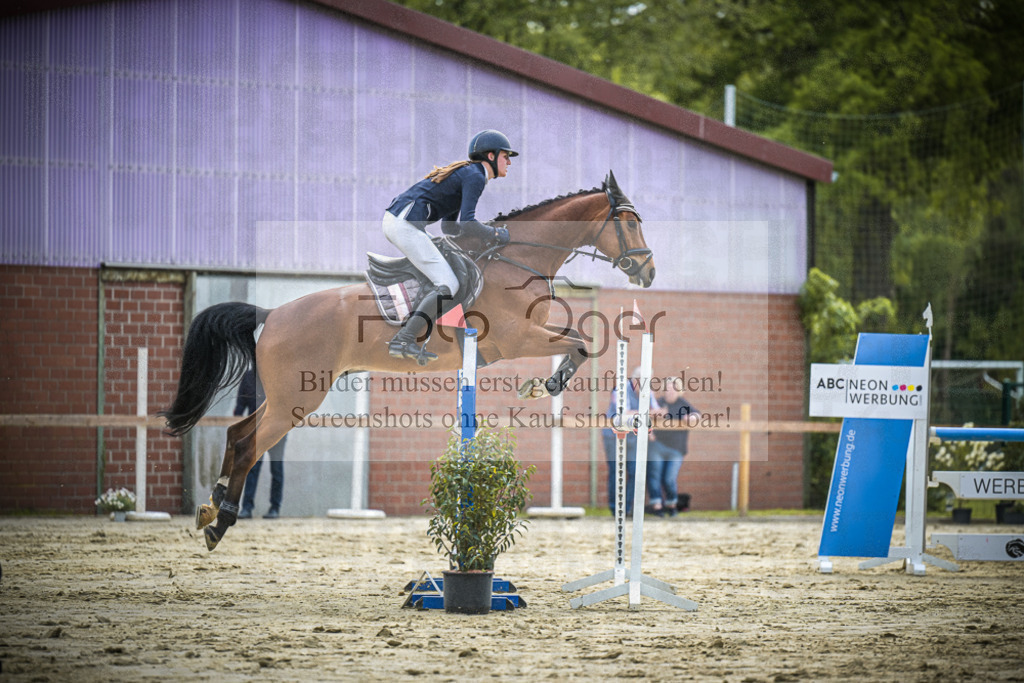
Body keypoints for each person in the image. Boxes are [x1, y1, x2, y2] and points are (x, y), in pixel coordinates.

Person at [382, 129, 517, 363]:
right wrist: (495, 234)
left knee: (447, 272)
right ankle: (403, 339)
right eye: (506, 156)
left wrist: (480, 236)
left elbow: (450, 227)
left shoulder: (470, 173)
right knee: (448, 283)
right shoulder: (475, 176)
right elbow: (468, 222)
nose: (509, 162)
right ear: (491, 156)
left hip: (402, 222)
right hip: (403, 224)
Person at [603, 366, 660, 516]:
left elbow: (658, 412)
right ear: (635, 380)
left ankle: (626, 508)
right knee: (616, 471)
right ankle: (615, 509)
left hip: (633, 437)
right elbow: (625, 413)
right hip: (613, 435)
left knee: (635, 471)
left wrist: (649, 418)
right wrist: (647, 413)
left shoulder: (648, 392)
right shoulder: (620, 390)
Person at [235, 368, 286, 519]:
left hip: (277, 430)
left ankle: (275, 507)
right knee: (252, 468)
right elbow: (240, 405)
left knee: (276, 468)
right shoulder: (249, 377)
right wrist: (238, 429)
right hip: (256, 431)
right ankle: (247, 507)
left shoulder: (279, 375)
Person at [647, 376, 699, 516]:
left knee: (669, 478)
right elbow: (645, 418)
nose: (670, 391)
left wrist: (692, 418)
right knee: (654, 475)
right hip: (657, 445)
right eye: (667, 388)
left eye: (673, 389)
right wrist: (650, 429)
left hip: (676, 448)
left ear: (679, 391)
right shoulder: (658, 403)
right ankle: (657, 505)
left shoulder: (683, 404)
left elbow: (697, 414)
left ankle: (671, 504)